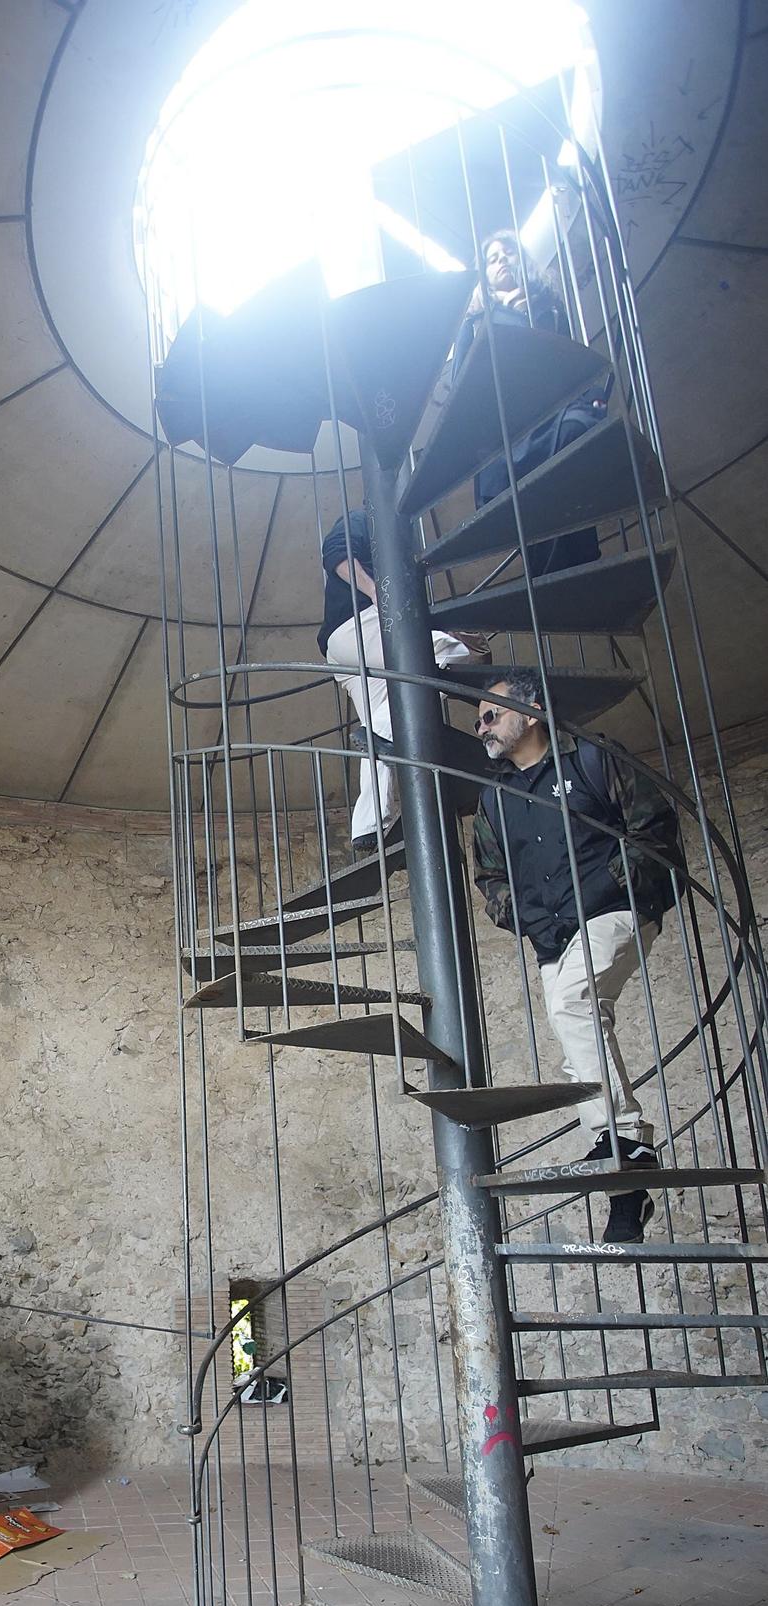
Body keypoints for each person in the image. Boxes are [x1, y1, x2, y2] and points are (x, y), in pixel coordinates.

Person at [471, 671, 682, 1243]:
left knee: (573, 1003)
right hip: (551, 936)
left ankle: (627, 1140)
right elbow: (489, 878)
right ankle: (628, 1190)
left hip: (616, 911)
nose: (479, 725)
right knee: (577, 1038)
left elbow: (654, 828)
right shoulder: (494, 801)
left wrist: (614, 886)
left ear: (532, 712)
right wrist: (529, 918)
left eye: (491, 713)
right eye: (478, 719)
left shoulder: (593, 758)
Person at [317, 509, 489, 852]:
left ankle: (367, 824)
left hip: (345, 646)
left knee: (384, 715)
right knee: (442, 651)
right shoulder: (365, 518)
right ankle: (379, 733)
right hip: (359, 625)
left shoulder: (395, 535)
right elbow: (336, 552)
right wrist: (375, 593)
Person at [451, 231, 607, 577]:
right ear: (484, 279)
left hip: (553, 419)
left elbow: (572, 364)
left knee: (572, 446)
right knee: (531, 503)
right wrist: (491, 318)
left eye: (508, 253)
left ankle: (573, 573)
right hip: (508, 436)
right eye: (492, 259)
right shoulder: (478, 323)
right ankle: (561, 579)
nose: (502, 260)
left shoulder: (548, 309)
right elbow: (460, 385)